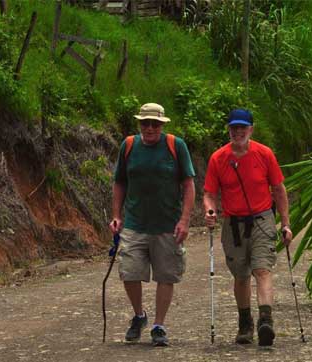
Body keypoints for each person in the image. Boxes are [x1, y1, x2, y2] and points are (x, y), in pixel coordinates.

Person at [203, 108, 293, 346]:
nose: (238, 131)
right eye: (234, 128)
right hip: (233, 224)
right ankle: (245, 324)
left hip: (262, 220)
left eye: (243, 127)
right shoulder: (218, 158)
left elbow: (279, 190)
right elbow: (210, 194)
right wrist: (210, 210)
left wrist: (285, 224)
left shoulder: (264, 154)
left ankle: (266, 321)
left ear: (251, 129)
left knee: (262, 269)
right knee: (241, 276)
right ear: (229, 130)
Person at [109, 102, 196, 346]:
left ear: (162, 125)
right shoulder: (128, 146)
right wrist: (117, 215)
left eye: (154, 123)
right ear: (139, 124)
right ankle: (139, 316)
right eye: (145, 123)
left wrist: (185, 219)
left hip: (167, 224)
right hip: (135, 223)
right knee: (129, 272)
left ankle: (159, 325)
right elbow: (119, 182)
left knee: (166, 275)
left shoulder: (175, 146)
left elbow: (188, 184)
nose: (149, 128)